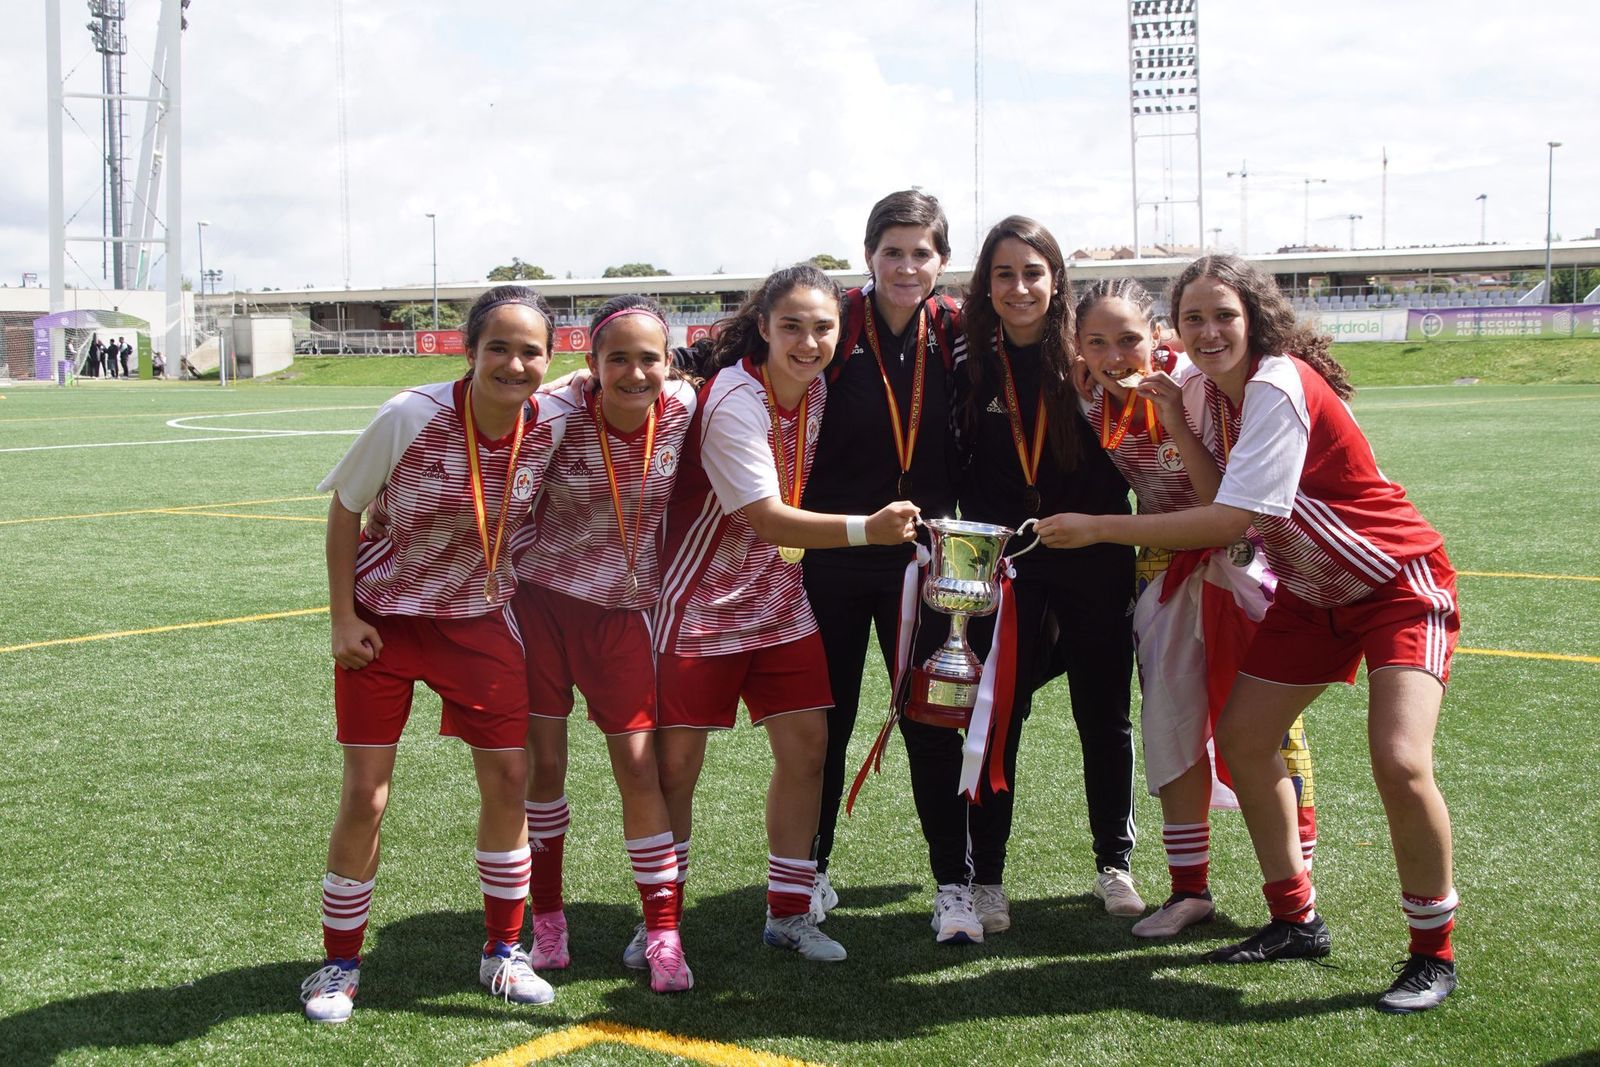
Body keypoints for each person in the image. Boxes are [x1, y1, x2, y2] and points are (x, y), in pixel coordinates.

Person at [1038, 254, 1460, 1014]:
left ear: (1255, 317)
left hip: (1394, 584)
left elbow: (1234, 520)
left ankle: (1433, 953)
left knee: (1400, 761)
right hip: (1310, 593)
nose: (1208, 332)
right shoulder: (1200, 387)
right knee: (1243, 738)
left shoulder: (1277, 382)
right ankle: (1295, 918)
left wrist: (1100, 527)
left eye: (1223, 315)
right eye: (1194, 318)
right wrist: (1166, 412)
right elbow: (1208, 484)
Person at [300, 285, 569, 1024]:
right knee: (366, 794)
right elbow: (346, 509)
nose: (514, 364)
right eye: (498, 348)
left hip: (480, 620)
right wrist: (341, 618)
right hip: (383, 623)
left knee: (509, 779)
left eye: (531, 351)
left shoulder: (551, 420)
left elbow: (625, 375)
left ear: (550, 359)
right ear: (469, 350)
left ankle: (503, 952)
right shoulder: (409, 415)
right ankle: (339, 963)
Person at [654, 263, 920, 964]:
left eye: (822, 327)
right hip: (699, 602)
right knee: (676, 767)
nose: (808, 342)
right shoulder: (735, 397)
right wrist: (869, 529)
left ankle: (790, 912)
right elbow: (768, 519)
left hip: (776, 596)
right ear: (764, 327)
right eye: (792, 326)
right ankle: (661, 922)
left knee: (808, 750)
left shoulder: (820, 386)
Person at [1071, 277, 1316, 939]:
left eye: (1129, 338)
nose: (1116, 355)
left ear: (1157, 335)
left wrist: (1177, 419)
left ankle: (1298, 887)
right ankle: (1188, 889)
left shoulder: (1198, 382)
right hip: (1161, 568)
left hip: (1241, 562)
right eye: (1097, 341)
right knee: (1170, 727)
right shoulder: (1085, 392)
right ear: (1078, 347)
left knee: (1273, 729)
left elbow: (1221, 507)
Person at [929, 217, 1141, 942]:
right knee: (997, 715)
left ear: (1057, 280)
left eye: (1033, 272)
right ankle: (987, 876)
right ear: (986, 284)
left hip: (1096, 550)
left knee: (1103, 713)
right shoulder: (968, 357)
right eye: (1004, 274)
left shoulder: (1088, 351)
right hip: (1010, 563)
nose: (1020, 288)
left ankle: (1114, 863)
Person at [508, 295, 698, 994]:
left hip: (621, 617)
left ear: (668, 362)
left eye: (649, 358)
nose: (635, 373)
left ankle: (664, 931)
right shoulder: (556, 412)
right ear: (592, 364)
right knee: (545, 765)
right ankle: (548, 919)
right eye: (617, 359)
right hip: (541, 607)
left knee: (639, 770)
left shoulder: (683, 406)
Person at [800, 190, 966, 931]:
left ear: (941, 260)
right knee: (825, 723)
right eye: (891, 251)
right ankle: (809, 873)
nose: (905, 266)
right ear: (868, 255)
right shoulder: (833, 323)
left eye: (920, 253)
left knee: (933, 720)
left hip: (921, 560)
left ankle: (955, 884)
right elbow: (737, 356)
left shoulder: (957, 331)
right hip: (834, 552)